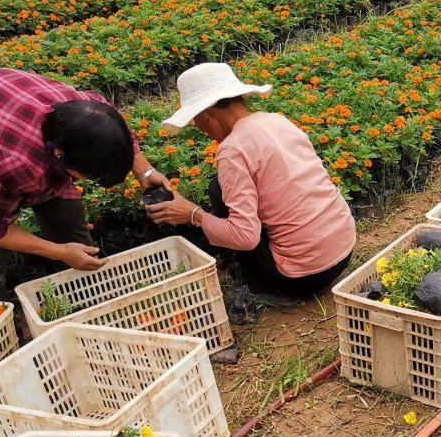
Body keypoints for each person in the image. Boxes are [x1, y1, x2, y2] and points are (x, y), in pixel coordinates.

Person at [0, 68, 170, 302]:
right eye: (87, 175)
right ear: (59, 154)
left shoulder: (90, 111)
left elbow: (117, 139)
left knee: (67, 216)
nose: (86, 181)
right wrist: (60, 251)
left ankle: (81, 298)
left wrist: (146, 173)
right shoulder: (12, 163)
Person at [147, 63, 356, 299]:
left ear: (206, 115)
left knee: (217, 190)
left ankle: (255, 283)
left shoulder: (232, 149)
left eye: (197, 123)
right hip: (343, 250)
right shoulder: (277, 121)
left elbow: (245, 237)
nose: (202, 130)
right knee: (224, 187)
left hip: (304, 276)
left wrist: (193, 214)